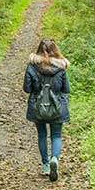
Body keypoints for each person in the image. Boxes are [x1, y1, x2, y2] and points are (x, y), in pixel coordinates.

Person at [23, 37, 70, 181]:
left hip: (38, 107)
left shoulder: (32, 67)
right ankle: (54, 158)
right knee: (56, 135)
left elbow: (26, 89)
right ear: (55, 50)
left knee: (42, 135)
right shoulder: (61, 68)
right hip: (57, 107)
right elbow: (66, 89)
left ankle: (45, 166)